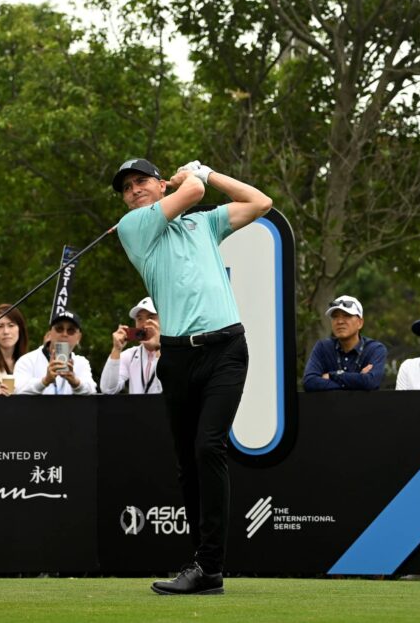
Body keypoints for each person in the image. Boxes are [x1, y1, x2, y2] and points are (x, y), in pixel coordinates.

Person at [114, 157, 271, 595]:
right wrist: (193, 178)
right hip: (179, 357)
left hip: (226, 349)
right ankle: (204, 567)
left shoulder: (203, 224)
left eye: (141, 181)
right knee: (188, 464)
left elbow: (260, 202)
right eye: (126, 187)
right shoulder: (134, 227)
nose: (134, 190)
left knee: (208, 446)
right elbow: (195, 191)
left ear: (160, 184)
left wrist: (209, 172)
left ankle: (209, 566)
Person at [303, 296, 387, 391]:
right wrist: (358, 381)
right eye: (335, 317)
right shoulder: (323, 347)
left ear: (360, 323)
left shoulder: (375, 349)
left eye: (347, 316)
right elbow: (309, 382)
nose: (340, 321)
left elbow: (371, 382)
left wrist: (332, 376)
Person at [13, 311, 97, 395]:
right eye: (59, 329)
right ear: (49, 334)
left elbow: (91, 390)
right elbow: (17, 390)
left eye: (71, 330)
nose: (64, 334)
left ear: (78, 337)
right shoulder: (27, 360)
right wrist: (45, 381)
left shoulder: (81, 362)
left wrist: (75, 382)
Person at [100, 296, 163, 394]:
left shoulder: (176, 353)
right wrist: (116, 349)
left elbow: (167, 388)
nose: (144, 324)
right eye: (139, 319)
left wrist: (159, 347)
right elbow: (108, 389)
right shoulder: (131, 355)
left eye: (151, 318)